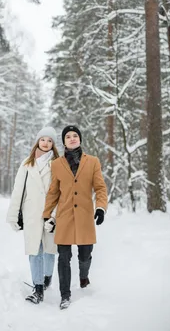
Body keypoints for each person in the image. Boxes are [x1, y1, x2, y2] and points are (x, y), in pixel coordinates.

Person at [43, 125, 108, 310]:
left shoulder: (93, 162)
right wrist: (46, 215)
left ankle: (83, 277)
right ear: (64, 141)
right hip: (64, 217)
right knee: (63, 258)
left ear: (80, 139)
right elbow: (53, 192)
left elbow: (100, 188)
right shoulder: (56, 164)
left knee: (85, 255)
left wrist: (101, 208)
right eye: (68, 136)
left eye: (75, 135)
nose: (72, 138)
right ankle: (65, 296)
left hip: (86, 216)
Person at [6, 126, 59, 304]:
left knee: (50, 252)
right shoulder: (27, 164)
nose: (45, 143)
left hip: (51, 214)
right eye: (43, 139)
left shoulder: (58, 164)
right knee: (35, 251)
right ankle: (38, 289)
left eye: (49, 140)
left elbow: (63, 192)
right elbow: (17, 191)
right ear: (38, 141)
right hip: (32, 214)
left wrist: (55, 216)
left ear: (53, 144)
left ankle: (47, 277)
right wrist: (13, 215)